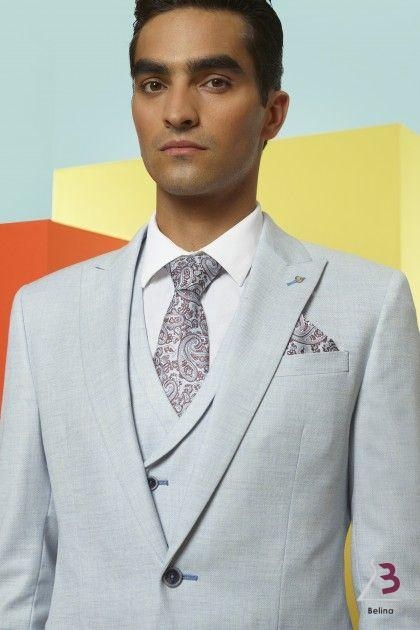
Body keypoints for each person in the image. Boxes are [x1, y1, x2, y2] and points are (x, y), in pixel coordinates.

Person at [0, 0, 419, 628]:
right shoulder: (44, 313)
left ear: (273, 113)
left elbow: (395, 578)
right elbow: (19, 571)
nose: (178, 111)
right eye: (153, 83)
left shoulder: (368, 304)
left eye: (215, 81)